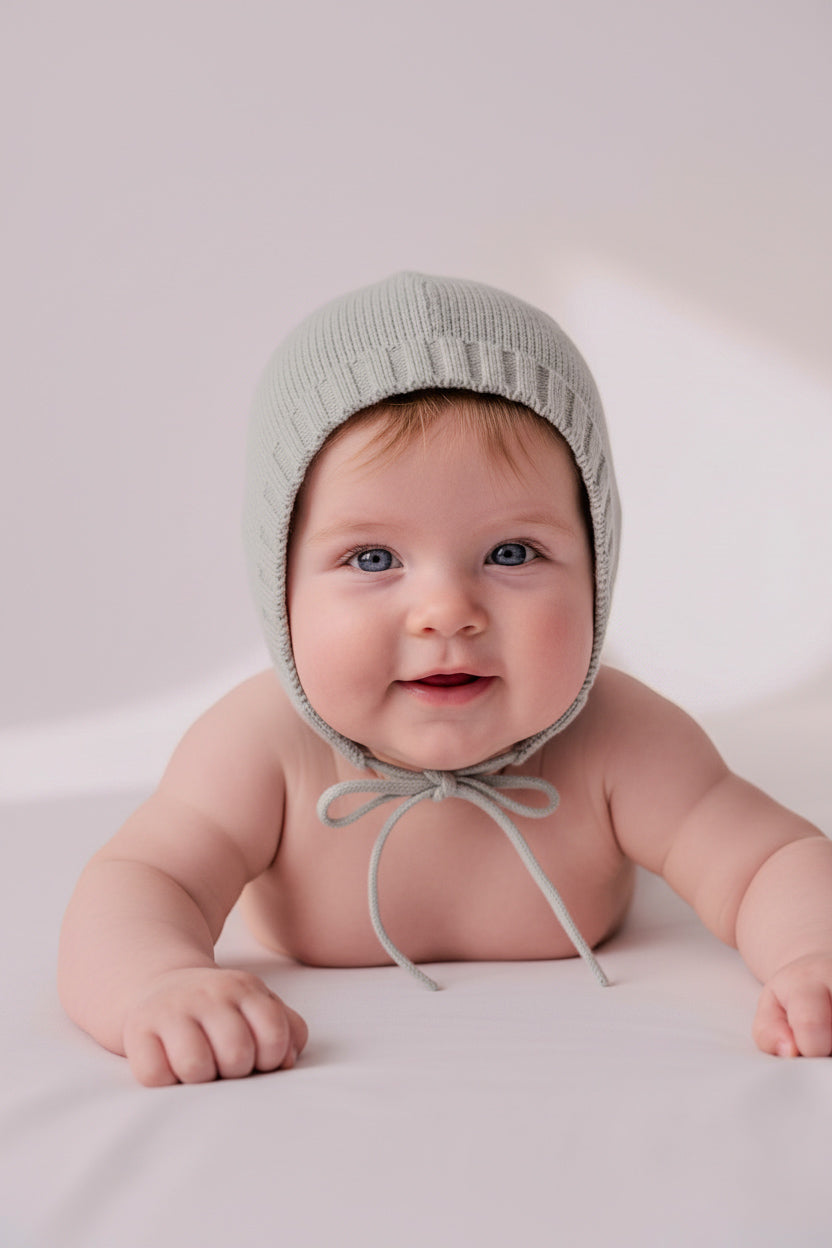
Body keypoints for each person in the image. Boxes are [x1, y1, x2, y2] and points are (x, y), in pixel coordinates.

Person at [58, 272, 832, 1086]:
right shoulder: (258, 747)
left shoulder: (623, 739)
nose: (446, 612)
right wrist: (158, 981)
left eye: (512, 553)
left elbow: (770, 860)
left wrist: (811, 953)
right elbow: (141, 882)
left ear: (596, 569)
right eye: (372, 558)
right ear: (278, 586)